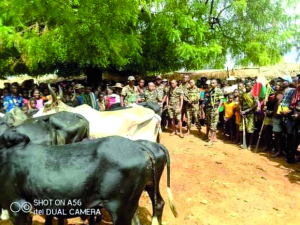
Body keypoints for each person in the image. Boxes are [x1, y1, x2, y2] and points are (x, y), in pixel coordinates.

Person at [239, 81, 257, 150]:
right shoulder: (244, 94)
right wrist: (241, 110)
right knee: (243, 128)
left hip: (250, 113)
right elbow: (241, 103)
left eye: (248, 86)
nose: (246, 87)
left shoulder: (254, 94)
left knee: (250, 129)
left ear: (251, 86)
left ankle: (250, 144)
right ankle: (243, 143)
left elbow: (255, 105)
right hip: (243, 113)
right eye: (246, 86)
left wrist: (246, 111)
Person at [205, 79, 224, 144]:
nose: (211, 84)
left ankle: (211, 139)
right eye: (211, 83)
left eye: (213, 83)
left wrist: (218, 109)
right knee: (210, 123)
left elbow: (221, 100)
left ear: (216, 84)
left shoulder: (219, 91)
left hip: (215, 109)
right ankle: (214, 137)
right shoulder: (210, 91)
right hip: (210, 109)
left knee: (214, 124)